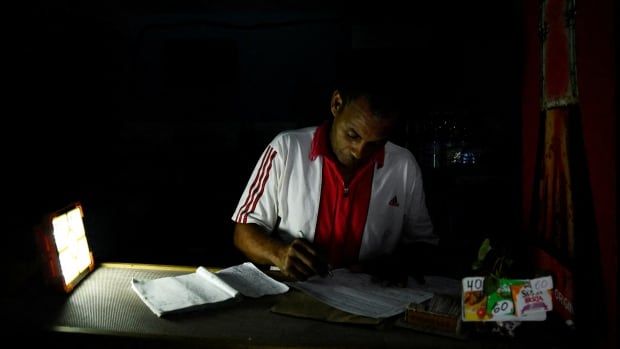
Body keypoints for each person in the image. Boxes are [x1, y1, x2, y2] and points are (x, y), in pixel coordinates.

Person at [231, 65, 438, 284]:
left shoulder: (403, 165)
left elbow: (424, 244)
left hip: (372, 297)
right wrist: (279, 253)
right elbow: (243, 231)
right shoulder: (286, 148)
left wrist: (398, 262)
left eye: (376, 143)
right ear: (336, 104)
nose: (359, 152)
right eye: (352, 134)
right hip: (299, 291)